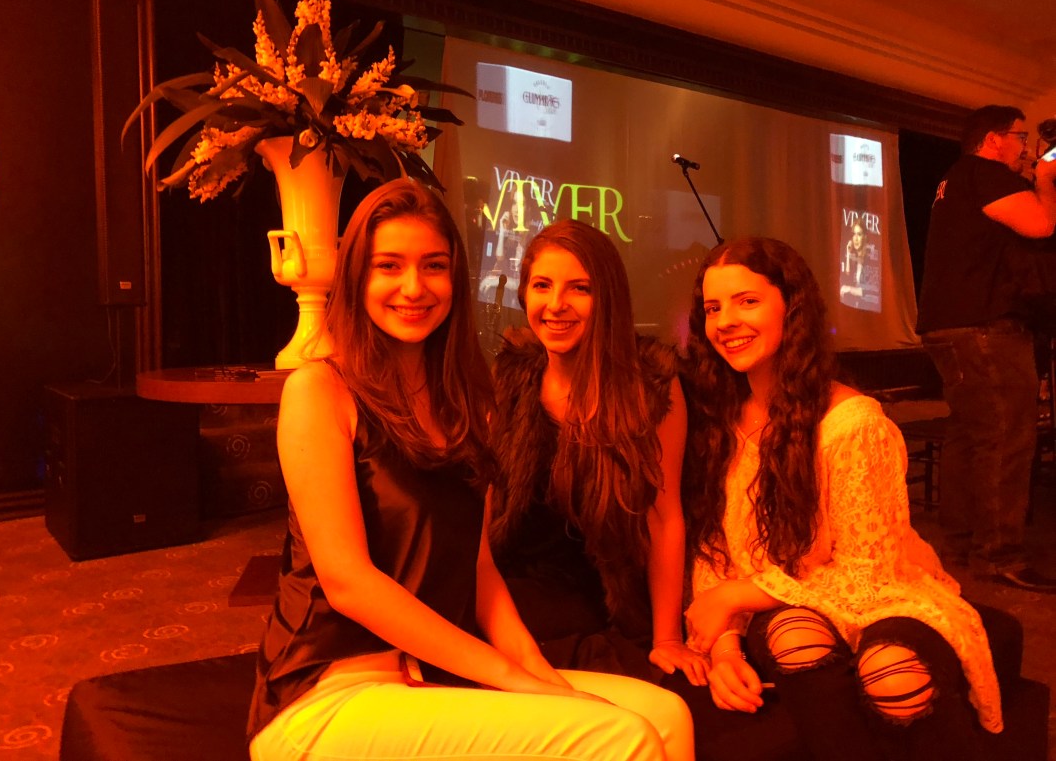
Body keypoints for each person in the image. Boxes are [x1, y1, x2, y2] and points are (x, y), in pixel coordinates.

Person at [247, 180, 692, 761]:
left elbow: (481, 572)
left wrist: (536, 672)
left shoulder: (466, 404)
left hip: (427, 676)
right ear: (356, 277)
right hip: (328, 688)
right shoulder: (319, 389)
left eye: (433, 266)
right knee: (624, 737)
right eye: (389, 266)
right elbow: (348, 581)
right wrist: (510, 677)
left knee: (665, 716)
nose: (414, 287)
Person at [682, 237, 1001, 761]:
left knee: (893, 674)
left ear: (792, 307)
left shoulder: (851, 423)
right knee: (795, 636)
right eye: (713, 308)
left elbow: (867, 575)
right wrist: (723, 649)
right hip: (785, 610)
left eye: (747, 301)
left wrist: (739, 595)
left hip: (880, 596)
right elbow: (714, 550)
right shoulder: (719, 422)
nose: (726, 321)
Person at [489, 219, 707, 690]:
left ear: (607, 297)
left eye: (579, 288)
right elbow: (485, 506)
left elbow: (665, 518)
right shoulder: (511, 379)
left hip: (604, 595)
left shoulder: (650, 384)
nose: (556, 304)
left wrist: (668, 638)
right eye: (542, 285)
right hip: (519, 582)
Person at [916, 104, 1056, 591]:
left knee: (970, 436)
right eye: (1021, 138)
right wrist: (1046, 181)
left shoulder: (953, 179)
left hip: (948, 326)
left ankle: (960, 542)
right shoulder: (984, 173)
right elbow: (1041, 224)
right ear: (994, 139)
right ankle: (998, 554)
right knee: (1006, 437)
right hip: (983, 328)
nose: (1026, 149)